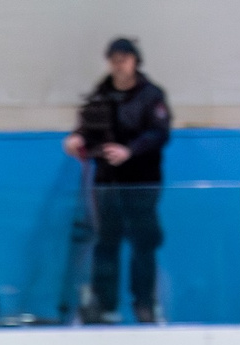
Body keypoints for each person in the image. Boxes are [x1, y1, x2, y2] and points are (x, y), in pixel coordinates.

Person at [64, 37, 173, 325]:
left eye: (123, 60)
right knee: (106, 241)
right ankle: (105, 305)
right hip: (107, 182)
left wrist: (130, 151)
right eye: (114, 60)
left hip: (142, 182)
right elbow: (88, 127)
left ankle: (145, 304)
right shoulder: (101, 95)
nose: (118, 66)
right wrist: (78, 139)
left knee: (143, 243)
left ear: (135, 61)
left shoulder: (151, 96)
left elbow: (159, 134)